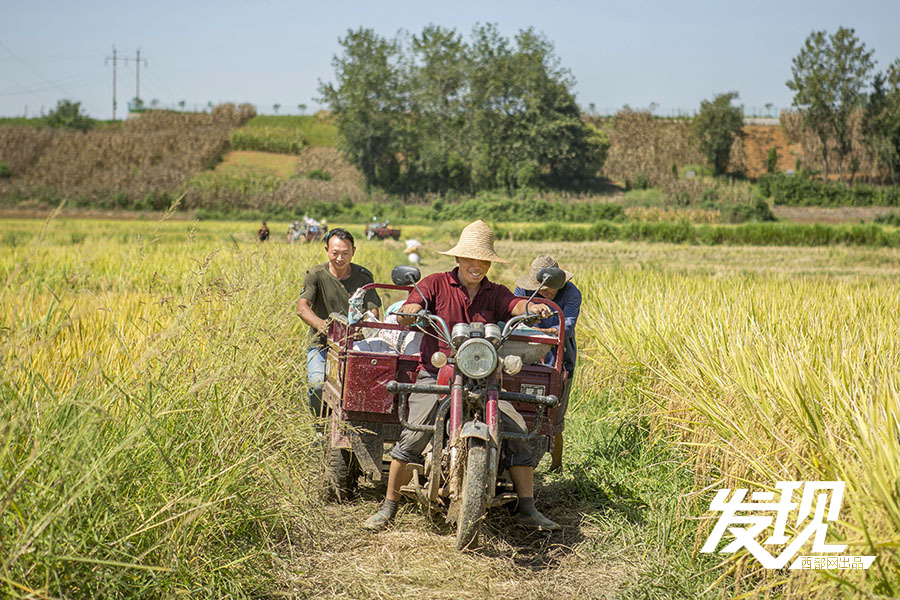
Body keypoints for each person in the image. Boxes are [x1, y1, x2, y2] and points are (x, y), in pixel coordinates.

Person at [363, 220, 560, 532]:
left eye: (483, 260)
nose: (476, 265)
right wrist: (410, 310)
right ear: (458, 258)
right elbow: (415, 301)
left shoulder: (496, 292)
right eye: (471, 258)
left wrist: (532, 306)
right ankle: (389, 506)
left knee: (519, 432)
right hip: (436, 373)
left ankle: (527, 507)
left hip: (485, 377)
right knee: (414, 435)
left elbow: (514, 304)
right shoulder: (435, 283)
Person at [297, 228, 382, 423]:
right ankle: (320, 425)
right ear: (327, 250)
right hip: (322, 344)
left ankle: (355, 424)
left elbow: (373, 310)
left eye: (345, 253)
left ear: (354, 251)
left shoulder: (363, 277)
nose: (340, 258)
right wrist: (324, 326)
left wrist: (365, 325)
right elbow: (302, 307)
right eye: (335, 253)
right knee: (318, 384)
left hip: (354, 344)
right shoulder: (316, 274)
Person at [514, 255, 581, 472]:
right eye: (540, 288)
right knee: (518, 404)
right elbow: (512, 318)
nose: (544, 292)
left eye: (550, 289)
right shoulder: (522, 291)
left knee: (554, 411)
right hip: (524, 354)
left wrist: (539, 330)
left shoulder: (572, 293)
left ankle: (556, 466)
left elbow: (567, 327)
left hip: (560, 357)